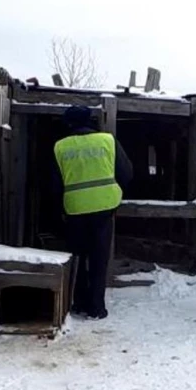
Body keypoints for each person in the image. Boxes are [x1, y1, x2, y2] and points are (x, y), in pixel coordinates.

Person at [53, 105, 133, 320]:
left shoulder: (60, 147)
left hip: (75, 207)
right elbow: (126, 172)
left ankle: (78, 302)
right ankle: (97, 307)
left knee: (77, 255)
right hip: (104, 206)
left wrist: (58, 208)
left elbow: (52, 183)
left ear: (68, 123)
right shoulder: (108, 140)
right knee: (99, 256)